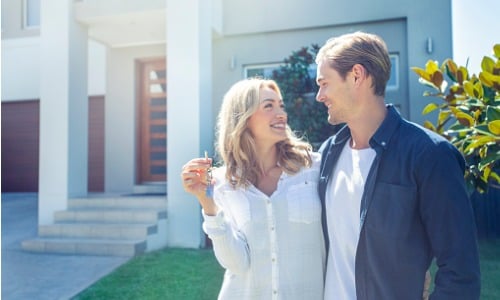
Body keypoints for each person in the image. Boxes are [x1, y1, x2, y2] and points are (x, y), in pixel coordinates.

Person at [315, 31, 481, 299]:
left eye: (324, 83)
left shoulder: (430, 155)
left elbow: (461, 271)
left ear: (357, 75)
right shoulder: (326, 155)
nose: (319, 95)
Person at [180, 78, 325, 299]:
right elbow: (236, 263)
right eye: (269, 106)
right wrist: (207, 203)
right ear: (244, 118)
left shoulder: (314, 169)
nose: (281, 114)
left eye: (281, 106)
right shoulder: (221, 183)